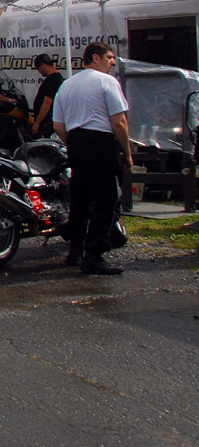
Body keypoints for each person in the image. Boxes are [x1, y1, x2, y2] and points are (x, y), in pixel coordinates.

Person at [53, 42, 132, 275]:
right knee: (105, 200)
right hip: (100, 142)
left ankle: (75, 251)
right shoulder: (106, 81)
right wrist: (127, 153)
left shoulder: (66, 85)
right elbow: (119, 121)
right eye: (109, 57)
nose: (113, 62)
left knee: (80, 200)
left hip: (75, 141)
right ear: (95, 58)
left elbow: (58, 125)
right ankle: (94, 254)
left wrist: (75, 144)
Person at [30, 53, 64, 138]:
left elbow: (47, 103)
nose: (39, 71)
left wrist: (37, 123)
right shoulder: (58, 78)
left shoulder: (51, 80)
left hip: (47, 123)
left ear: (42, 65)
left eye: (38, 68)